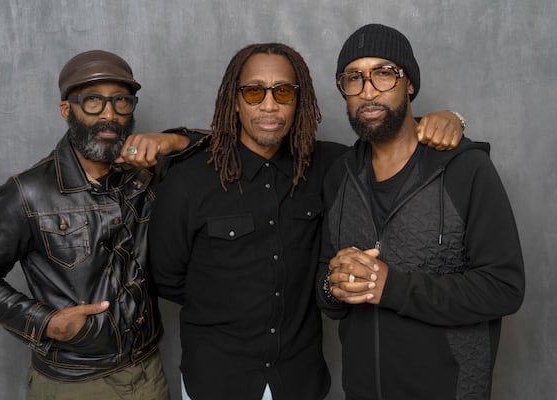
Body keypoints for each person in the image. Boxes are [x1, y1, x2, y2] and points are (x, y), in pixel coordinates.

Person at [147, 42, 464, 400]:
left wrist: (447, 120)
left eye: (283, 92)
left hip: (299, 381)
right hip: (217, 380)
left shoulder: (333, 166)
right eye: (253, 92)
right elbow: (167, 278)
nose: (269, 105)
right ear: (234, 101)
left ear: (299, 100)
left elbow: (390, 140)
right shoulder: (187, 182)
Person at [0, 49, 205, 400]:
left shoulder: (145, 174)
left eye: (121, 102)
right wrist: (45, 322)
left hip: (148, 372)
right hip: (73, 382)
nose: (109, 115)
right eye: (93, 102)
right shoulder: (28, 192)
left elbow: (224, 149)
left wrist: (172, 140)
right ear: (66, 110)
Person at [315, 24, 525, 400]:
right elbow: (324, 289)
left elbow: (504, 289)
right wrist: (334, 286)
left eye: (383, 73)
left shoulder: (466, 170)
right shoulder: (338, 176)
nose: (368, 91)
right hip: (362, 391)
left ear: (409, 83)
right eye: (353, 78)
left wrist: (391, 287)